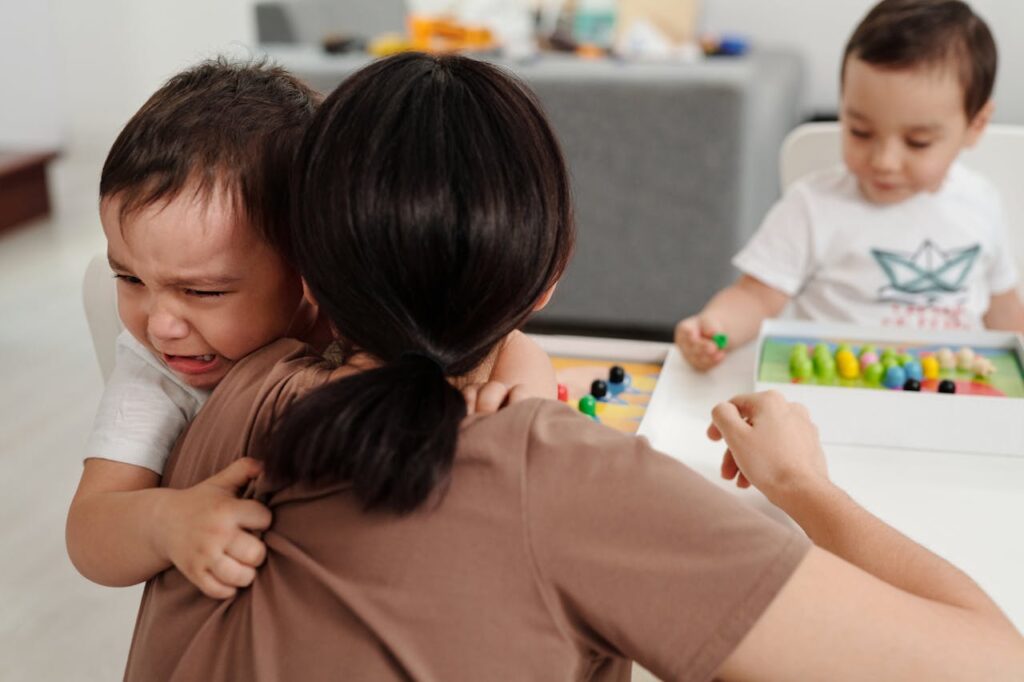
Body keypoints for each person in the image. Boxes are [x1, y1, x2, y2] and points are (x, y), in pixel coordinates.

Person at [124, 53, 1024, 681]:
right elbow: (995, 664)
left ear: (308, 278)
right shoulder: (563, 480)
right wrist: (803, 487)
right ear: (554, 271)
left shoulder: (234, 385)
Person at [66, 59, 555, 601]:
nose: (159, 324)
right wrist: (168, 522)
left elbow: (508, 346)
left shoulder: (358, 318)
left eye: (203, 292)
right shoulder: (155, 375)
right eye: (128, 277)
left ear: (314, 268)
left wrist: (521, 401)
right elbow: (91, 529)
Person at [677, 0, 1024, 371]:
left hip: (951, 391)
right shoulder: (813, 205)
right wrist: (715, 328)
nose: (884, 161)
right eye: (860, 132)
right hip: (833, 394)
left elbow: (1002, 307)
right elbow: (755, 298)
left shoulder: (981, 203)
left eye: (917, 142)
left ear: (977, 124)